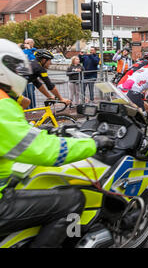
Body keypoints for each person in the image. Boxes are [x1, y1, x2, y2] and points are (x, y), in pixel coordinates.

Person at [0, 38, 114, 248]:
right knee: (73, 200)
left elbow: (12, 138)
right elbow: (44, 150)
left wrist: (36, 130)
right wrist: (93, 144)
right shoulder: (2, 105)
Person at [20, 39, 37, 108]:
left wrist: (30, 49)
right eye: (25, 43)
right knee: (23, 93)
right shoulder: (23, 52)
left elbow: (33, 60)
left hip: (31, 76)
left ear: (32, 43)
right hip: (23, 76)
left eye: (28, 43)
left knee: (30, 92)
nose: (26, 44)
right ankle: (27, 108)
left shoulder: (35, 51)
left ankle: (33, 107)